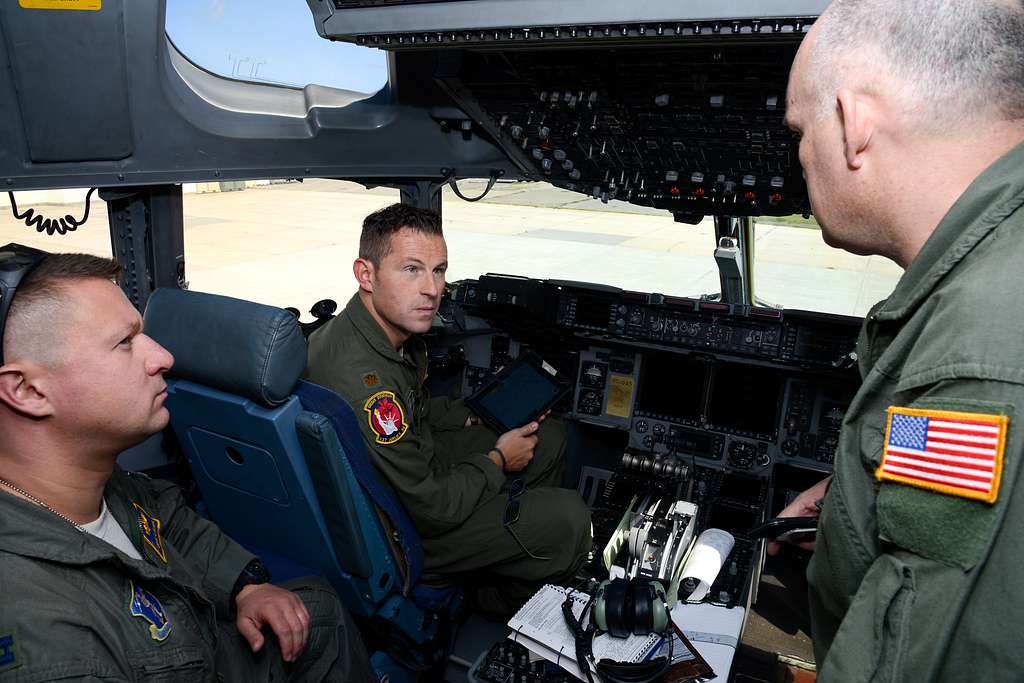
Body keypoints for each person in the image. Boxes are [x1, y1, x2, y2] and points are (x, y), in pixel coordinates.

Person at [770, 0, 1024, 679]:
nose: (798, 153)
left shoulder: (978, 348)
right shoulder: (988, 290)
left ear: (853, 124)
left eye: (800, 128)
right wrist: (862, 488)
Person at [0, 245, 375, 682]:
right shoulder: (53, 646)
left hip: (200, 642)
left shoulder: (90, 483)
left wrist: (243, 586)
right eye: (125, 342)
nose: (162, 357)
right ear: (28, 390)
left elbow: (165, 517)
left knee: (319, 612)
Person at [305, 203, 592, 616]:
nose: (431, 289)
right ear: (366, 274)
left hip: (405, 474)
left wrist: (468, 416)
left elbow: (413, 413)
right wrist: (497, 460)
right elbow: (432, 508)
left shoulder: (370, 333)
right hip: (403, 530)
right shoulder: (366, 384)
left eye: (438, 270)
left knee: (548, 435)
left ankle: (507, 547)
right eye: (411, 269)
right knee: (568, 520)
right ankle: (496, 598)